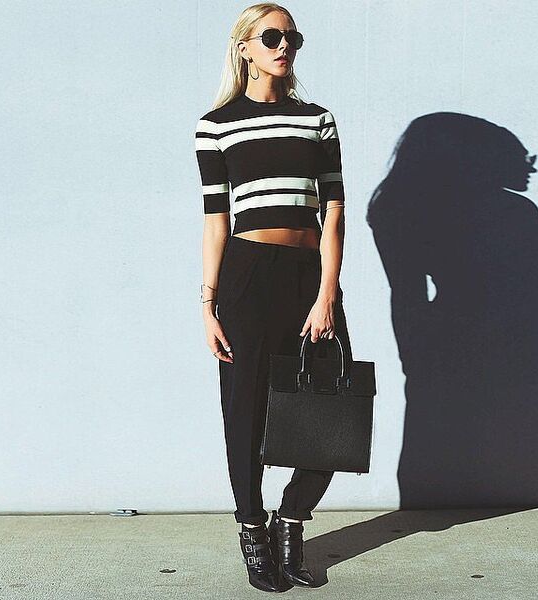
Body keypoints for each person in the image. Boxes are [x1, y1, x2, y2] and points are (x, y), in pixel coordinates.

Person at [193, 2, 352, 593]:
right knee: (246, 410)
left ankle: (292, 521)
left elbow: (334, 212)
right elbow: (216, 220)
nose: (284, 46)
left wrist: (326, 293)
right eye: (271, 37)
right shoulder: (215, 125)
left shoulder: (317, 120)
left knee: (331, 411)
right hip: (248, 276)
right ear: (244, 47)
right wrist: (207, 304)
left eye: (293, 37)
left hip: (310, 276)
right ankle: (253, 530)